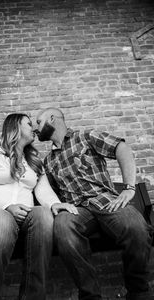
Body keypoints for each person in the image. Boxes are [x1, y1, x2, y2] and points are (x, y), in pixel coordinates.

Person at [35, 107, 154, 300]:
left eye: (38, 123)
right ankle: (90, 296)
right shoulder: (48, 161)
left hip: (106, 201)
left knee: (137, 227)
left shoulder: (85, 136)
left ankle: (138, 292)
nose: (36, 129)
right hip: (76, 210)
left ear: (51, 118)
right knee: (62, 226)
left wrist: (129, 188)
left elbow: (121, 148)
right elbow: (49, 193)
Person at [0, 113, 77, 300]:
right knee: (2, 219)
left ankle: (33, 296)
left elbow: (44, 192)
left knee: (43, 214)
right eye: (29, 124)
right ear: (15, 127)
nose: (34, 128)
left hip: (22, 223)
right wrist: (7, 206)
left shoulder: (33, 162)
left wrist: (56, 203)